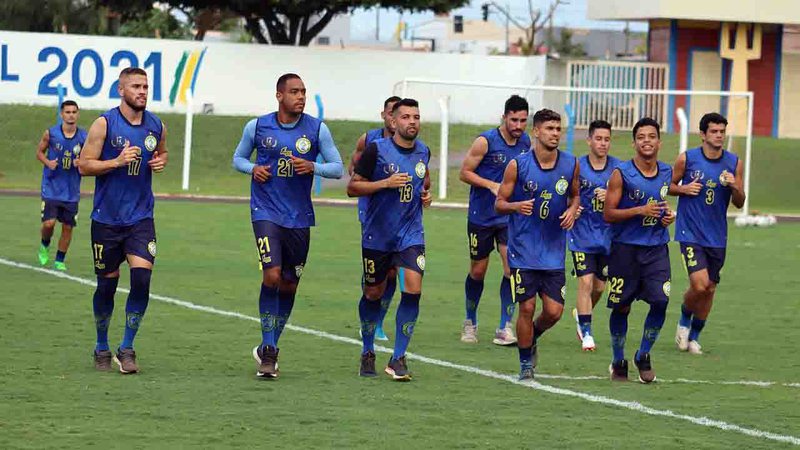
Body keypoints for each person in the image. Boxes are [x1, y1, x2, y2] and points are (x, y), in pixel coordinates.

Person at [232, 73, 344, 379]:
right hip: (265, 211)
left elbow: (337, 168)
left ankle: (269, 344)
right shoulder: (257, 126)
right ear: (279, 95)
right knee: (272, 274)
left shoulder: (317, 130)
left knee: (290, 284)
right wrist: (253, 169)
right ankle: (269, 351)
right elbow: (238, 159)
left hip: (299, 217)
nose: (301, 97)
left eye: (304, 92)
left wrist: (313, 166)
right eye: (294, 92)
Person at [79, 68, 169, 374]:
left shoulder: (156, 125)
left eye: (146, 86)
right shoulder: (104, 124)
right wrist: (116, 161)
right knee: (107, 286)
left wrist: (160, 161)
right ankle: (101, 345)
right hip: (106, 219)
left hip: (141, 218)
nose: (142, 91)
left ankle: (127, 347)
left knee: (142, 280)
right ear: (121, 90)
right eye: (136, 86)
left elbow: (162, 153)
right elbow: (83, 166)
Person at [347, 98, 432, 381]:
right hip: (378, 235)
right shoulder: (376, 150)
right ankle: (368, 350)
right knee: (373, 293)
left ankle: (398, 358)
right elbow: (352, 187)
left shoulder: (423, 151)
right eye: (406, 117)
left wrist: (425, 195)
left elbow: (424, 180)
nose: (412, 122)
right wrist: (384, 183)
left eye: (416, 117)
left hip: (411, 234)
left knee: (413, 289)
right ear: (393, 122)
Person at [495, 108, 580, 380]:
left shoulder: (570, 164)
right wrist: (516, 205)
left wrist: (572, 210)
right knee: (527, 307)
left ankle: (531, 337)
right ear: (536, 131)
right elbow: (499, 204)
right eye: (550, 129)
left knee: (554, 312)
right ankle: (525, 365)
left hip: (554, 251)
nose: (555, 134)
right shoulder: (517, 166)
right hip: (523, 250)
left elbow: (575, 195)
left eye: (558, 129)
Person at [603, 117, 675, 384]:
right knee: (621, 308)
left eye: (651, 136)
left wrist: (667, 216)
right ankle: (618, 360)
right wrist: (640, 211)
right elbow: (608, 214)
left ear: (659, 141)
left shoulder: (667, 172)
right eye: (641, 137)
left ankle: (643, 354)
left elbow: (663, 205)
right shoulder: (621, 173)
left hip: (656, 248)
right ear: (634, 143)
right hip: (625, 250)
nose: (647, 141)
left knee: (661, 301)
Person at [458, 95, 531, 346]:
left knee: (511, 268)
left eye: (523, 120)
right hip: (481, 216)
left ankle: (504, 326)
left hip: (508, 217)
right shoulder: (485, 141)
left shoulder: (526, 143)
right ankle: (470, 322)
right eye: (514, 120)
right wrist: (490, 184)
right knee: (478, 271)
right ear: (504, 117)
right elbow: (464, 173)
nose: (518, 125)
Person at [671, 113, 745, 354]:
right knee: (700, 285)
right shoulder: (687, 159)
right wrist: (684, 188)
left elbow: (740, 202)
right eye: (714, 131)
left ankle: (694, 337)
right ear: (703, 135)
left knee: (710, 288)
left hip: (717, 236)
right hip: (690, 232)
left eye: (722, 131)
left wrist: (735, 186)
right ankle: (683, 319)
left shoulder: (734, 163)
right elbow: (667, 186)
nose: (719, 135)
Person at [350, 95, 402, 341]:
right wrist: (378, 183)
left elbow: (422, 180)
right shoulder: (369, 139)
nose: (394, 118)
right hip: (371, 210)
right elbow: (354, 169)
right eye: (391, 112)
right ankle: (368, 317)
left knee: (393, 271)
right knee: (376, 269)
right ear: (384, 115)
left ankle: (378, 321)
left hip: (399, 214)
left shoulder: (411, 145)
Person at [567, 120, 621, 351]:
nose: (603, 143)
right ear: (589, 140)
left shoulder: (619, 169)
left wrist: (610, 196)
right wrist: (571, 207)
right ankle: (587, 333)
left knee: (599, 288)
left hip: (608, 237)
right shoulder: (576, 166)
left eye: (606, 139)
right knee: (586, 283)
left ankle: (581, 314)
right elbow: (565, 194)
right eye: (598, 139)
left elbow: (628, 199)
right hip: (581, 236)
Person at [36, 100, 87, 271]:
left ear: (77, 114)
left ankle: (59, 260)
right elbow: (39, 152)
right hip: (51, 187)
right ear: (61, 114)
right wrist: (48, 162)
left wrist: (82, 162)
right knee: (49, 223)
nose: (71, 115)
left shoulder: (84, 137)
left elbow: (90, 158)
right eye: (68, 112)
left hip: (72, 191)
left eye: (74, 112)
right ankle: (44, 244)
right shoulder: (51, 134)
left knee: (67, 227)